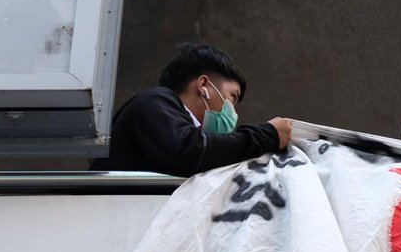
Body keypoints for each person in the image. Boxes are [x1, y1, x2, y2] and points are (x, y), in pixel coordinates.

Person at [91, 43, 291, 177]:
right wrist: (267, 136)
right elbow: (189, 152)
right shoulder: (154, 101)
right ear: (204, 84)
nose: (233, 113)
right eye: (233, 97)